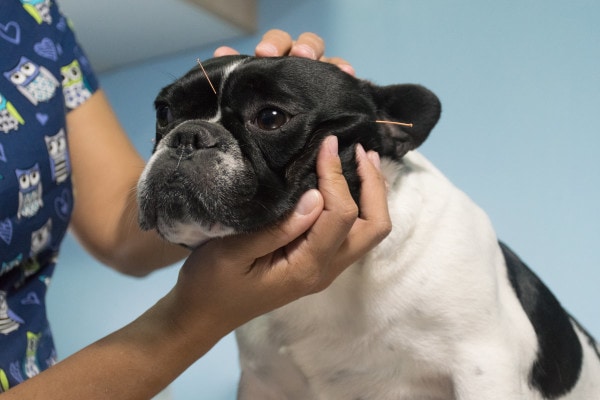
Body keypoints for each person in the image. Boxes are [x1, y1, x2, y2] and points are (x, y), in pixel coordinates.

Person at [0, 0, 390, 398]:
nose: (185, 139)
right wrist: (193, 318)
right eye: (171, 118)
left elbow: (122, 237)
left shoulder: (35, 15)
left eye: (270, 118)